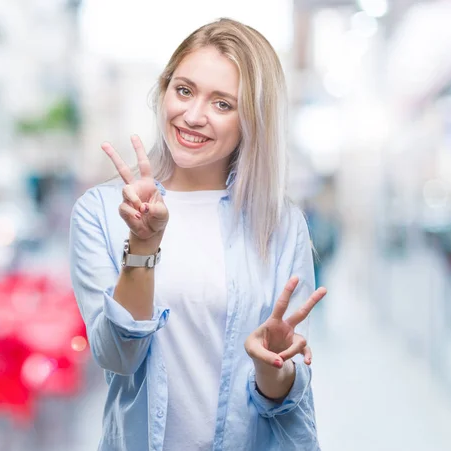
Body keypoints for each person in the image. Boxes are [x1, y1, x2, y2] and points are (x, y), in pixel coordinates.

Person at [69, 18, 327, 451]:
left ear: (252, 120)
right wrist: (143, 247)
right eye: (184, 90)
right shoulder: (102, 212)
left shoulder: (279, 223)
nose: (192, 116)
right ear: (164, 90)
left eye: (223, 104)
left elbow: (287, 395)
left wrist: (272, 368)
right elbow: (117, 358)